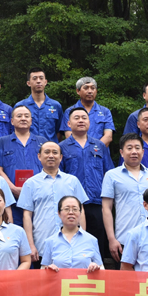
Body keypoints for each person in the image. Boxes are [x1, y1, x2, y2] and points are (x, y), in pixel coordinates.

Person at [17, 141, 89, 266]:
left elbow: (81, 212)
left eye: (55, 152)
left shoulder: (72, 181)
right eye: (47, 152)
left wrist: (82, 239)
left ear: (60, 157)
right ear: (39, 156)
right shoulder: (30, 183)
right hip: (42, 244)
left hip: (71, 245)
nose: (51, 155)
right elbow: (27, 215)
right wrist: (30, 245)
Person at [102, 135, 148, 263]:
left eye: (137, 148)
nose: (134, 151)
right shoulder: (111, 175)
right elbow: (106, 208)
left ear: (143, 151)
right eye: (129, 148)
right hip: (124, 239)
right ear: (122, 152)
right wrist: (111, 239)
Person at [59, 108, 113, 255]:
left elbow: (108, 173)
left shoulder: (99, 146)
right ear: (69, 123)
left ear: (89, 122)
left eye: (84, 118)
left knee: (97, 245)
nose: (81, 120)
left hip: (96, 202)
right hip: (72, 205)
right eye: (76, 118)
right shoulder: (62, 147)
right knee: (72, 244)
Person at [0, 105, 48, 226]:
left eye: (26, 116)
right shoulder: (2, 142)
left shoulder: (42, 142)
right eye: (19, 116)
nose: (23, 118)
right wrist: (12, 189)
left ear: (31, 121)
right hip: (12, 198)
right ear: (12, 121)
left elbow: (49, 168)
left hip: (38, 196)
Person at [60, 77, 115, 146]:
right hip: (77, 151)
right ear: (78, 91)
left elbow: (108, 136)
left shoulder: (105, 111)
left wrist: (94, 149)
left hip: (100, 151)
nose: (90, 91)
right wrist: (83, 149)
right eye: (86, 88)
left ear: (96, 91)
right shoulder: (69, 111)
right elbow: (68, 135)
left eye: (93, 88)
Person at [14, 67, 63, 142]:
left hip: (50, 148)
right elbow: (15, 130)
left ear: (45, 82)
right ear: (28, 83)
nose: (38, 81)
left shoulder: (56, 106)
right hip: (28, 148)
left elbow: (59, 131)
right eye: (34, 78)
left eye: (41, 78)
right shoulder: (20, 106)